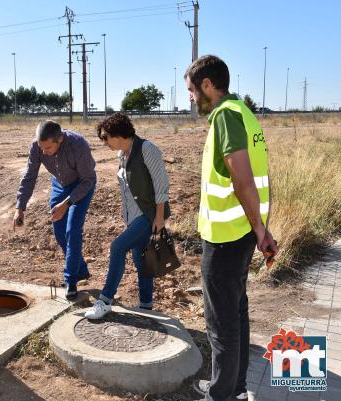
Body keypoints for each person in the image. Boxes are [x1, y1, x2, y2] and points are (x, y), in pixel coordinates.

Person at [184, 55, 278, 401]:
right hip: (241, 234)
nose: (192, 99)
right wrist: (260, 230)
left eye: (193, 91)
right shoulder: (244, 112)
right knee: (235, 311)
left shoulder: (224, 116)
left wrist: (261, 231)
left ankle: (220, 395)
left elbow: (242, 179)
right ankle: (234, 388)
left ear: (208, 85)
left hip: (225, 238)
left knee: (221, 323)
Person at [85, 112, 171, 319]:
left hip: (149, 215)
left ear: (118, 133)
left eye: (106, 137)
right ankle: (146, 306)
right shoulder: (122, 155)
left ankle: (105, 300)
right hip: (133, 217)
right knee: (141, 259)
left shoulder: (147, 149)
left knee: (118, 247)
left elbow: (161, 185)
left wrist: (159, 218)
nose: (105, 142)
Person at [14, 120, 96, 300]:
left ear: (60, 139)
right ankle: (80, 269)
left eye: (48, 148)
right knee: (59, 232)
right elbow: (29, 175)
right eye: (41, 147)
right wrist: (20, 206)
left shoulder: (78, 144)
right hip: (59, 184)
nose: (44, 152)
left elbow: (88, 180)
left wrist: (66, 204)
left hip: (82, 184)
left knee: (72, 230)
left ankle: (71, 280)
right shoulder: (37, 146)